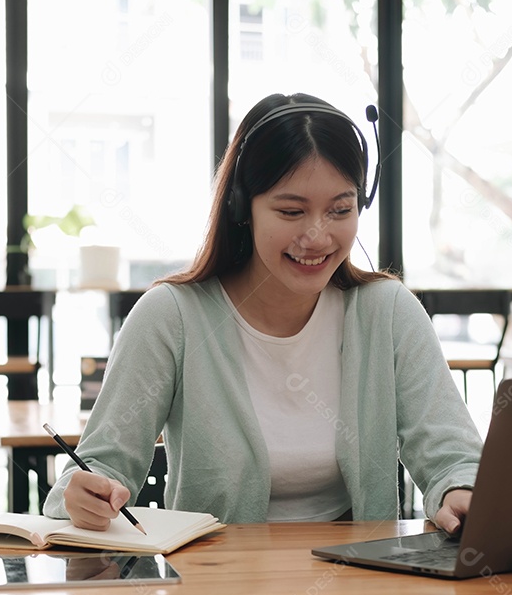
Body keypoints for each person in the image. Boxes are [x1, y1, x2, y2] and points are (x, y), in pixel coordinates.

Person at [43, 92, 482, 533]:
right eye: (291, 211)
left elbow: (453, 455)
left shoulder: (386, 313)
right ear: (241, 206)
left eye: (340, 210)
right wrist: (86, 494)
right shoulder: (171, 318)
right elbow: (99, 466)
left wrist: (458, 490)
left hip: (358, 582)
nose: (317, 236)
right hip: (217, 586)